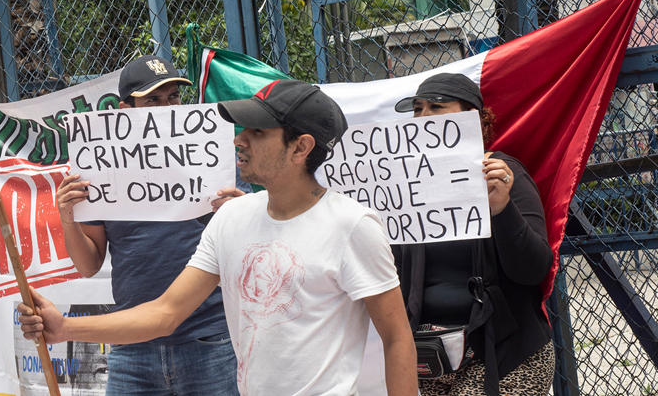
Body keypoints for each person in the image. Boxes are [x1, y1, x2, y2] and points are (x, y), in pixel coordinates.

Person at [27, 79, 418, 396]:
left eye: (258, 131)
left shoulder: (353, 225)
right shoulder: (232, 217)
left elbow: (397, 337)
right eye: (243, 128)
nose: (239, 139)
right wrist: (64, 328)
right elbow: (165, 313)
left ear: (301, 147)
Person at [56, 54, 244, 396]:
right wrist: (69, 220)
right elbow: (88, 265)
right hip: (133, 346)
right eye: (153, 99)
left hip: (209, 338)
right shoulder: (101, 170)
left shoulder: (209, 157)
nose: (167, 106)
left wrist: (239, 214)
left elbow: (248, 246)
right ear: (126, 109)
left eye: (173, 96)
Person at [392, 73, 554, 396]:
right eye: (417, 108)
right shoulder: (406, 188)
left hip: (504, 354)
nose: (423, 117)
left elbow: (535, 269)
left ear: (472, 119)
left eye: (436, 107)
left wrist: (501, 208)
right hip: (432, 357)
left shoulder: (504, 175)